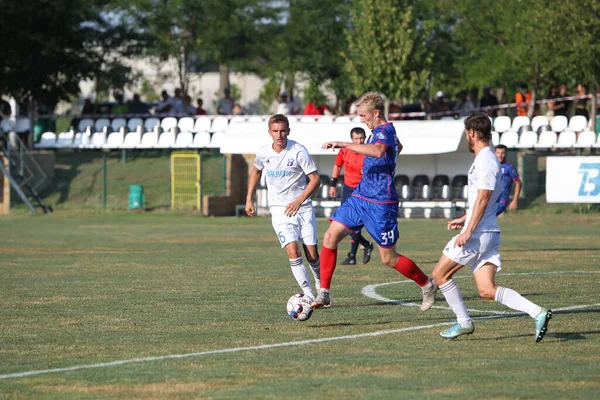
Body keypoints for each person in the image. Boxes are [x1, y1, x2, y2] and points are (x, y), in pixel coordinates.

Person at [311, 92, 438, 310]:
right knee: (330, 236)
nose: (361, 119)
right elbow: (397, 148)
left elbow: (379, 151)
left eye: (363, 115)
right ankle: (324, 293)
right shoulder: (378, 133)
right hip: (360, 196)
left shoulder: (385, 130)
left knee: (388, 258)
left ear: (376, 113)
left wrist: (345, 144)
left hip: (381, 202)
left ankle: (427, 285)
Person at [431, 112, 552, 341]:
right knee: (486, 290)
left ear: (472, 133)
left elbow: (484, 199)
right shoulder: (486, 159)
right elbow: (482, 200)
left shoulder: (486, 160)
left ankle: (464, 322)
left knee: (439, 274)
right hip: (487, 231)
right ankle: (538, 312)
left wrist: (468, 230)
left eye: (467, 133)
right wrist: (465, 218)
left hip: (479, 233)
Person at [245, 114, 322, 300]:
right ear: (269, 132)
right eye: (275, 131)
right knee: (292, 251)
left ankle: (322, 288)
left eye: (283, 131)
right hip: (279, 210)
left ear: (288, 131)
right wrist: (249, 199)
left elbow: (315, 179)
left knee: (312, 255)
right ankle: (309, 296)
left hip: (303, 209)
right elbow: (256, 171)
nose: (279, 135)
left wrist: (299, 200)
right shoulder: (264, 152)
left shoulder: (298, 151)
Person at [328, 127, 374, 266]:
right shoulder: (344, 150)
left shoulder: (370, 151)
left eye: (361, 138)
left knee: (355, 223)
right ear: (351, 139)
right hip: (348, 189)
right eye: (356, 138)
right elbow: (337, 166)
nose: (359, 141)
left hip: (363, 190)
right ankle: (366, 245)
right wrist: (332, 184)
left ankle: (352, 256)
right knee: (343, 222)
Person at [494, 144, 521, 214]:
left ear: (506, 154)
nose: (500, 155)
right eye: (498, 153)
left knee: (485, 219)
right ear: (495, 153)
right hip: (490, 199)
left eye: (502, 153)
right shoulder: (491, 166)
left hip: (501, 201)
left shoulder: (509, 167)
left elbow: (518, 183)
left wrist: (515, 200)